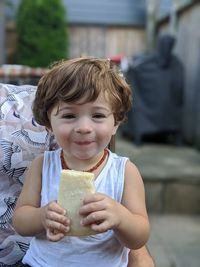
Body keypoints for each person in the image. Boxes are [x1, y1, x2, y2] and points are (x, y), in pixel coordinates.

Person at [12, 57, 150, 267]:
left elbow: (140, 235)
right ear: (49, 124)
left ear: (116, 123)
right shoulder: (42, 166)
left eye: (97, 115)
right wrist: (41, 216)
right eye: (69, 116)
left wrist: (121, 218)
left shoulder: (124, 171)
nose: (84, 127)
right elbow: (20, 221)